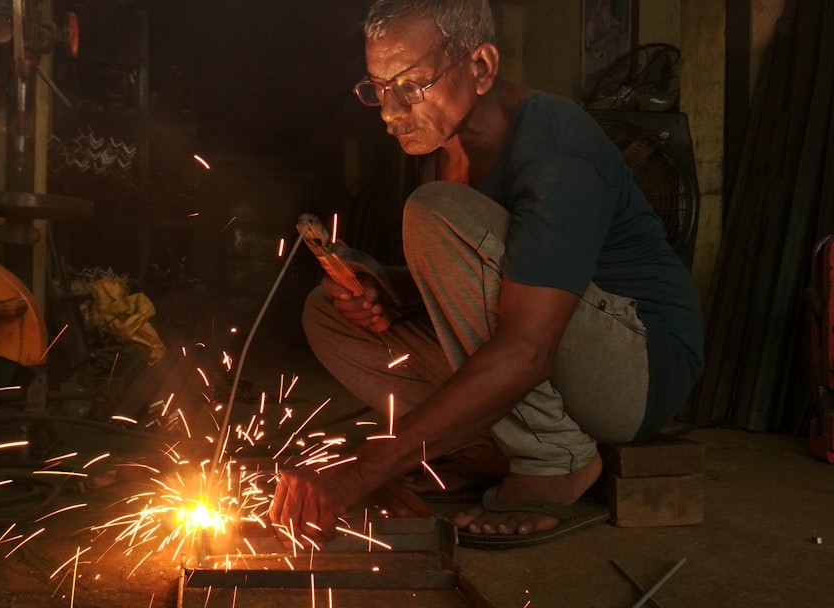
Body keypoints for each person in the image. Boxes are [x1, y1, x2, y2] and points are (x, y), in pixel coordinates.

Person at [269, 0, 704, 548]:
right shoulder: (445, 145)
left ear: (480, 67)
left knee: (432, 211)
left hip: (638, 371)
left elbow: (528, 349)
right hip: (550, 343)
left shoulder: (556, 145)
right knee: (326, 312)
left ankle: (555, 457)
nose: (388, 111)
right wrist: (390, 289)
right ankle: (484, 447)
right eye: (377, 87)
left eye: (411, 85)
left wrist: (364, 472)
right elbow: (493, 280)